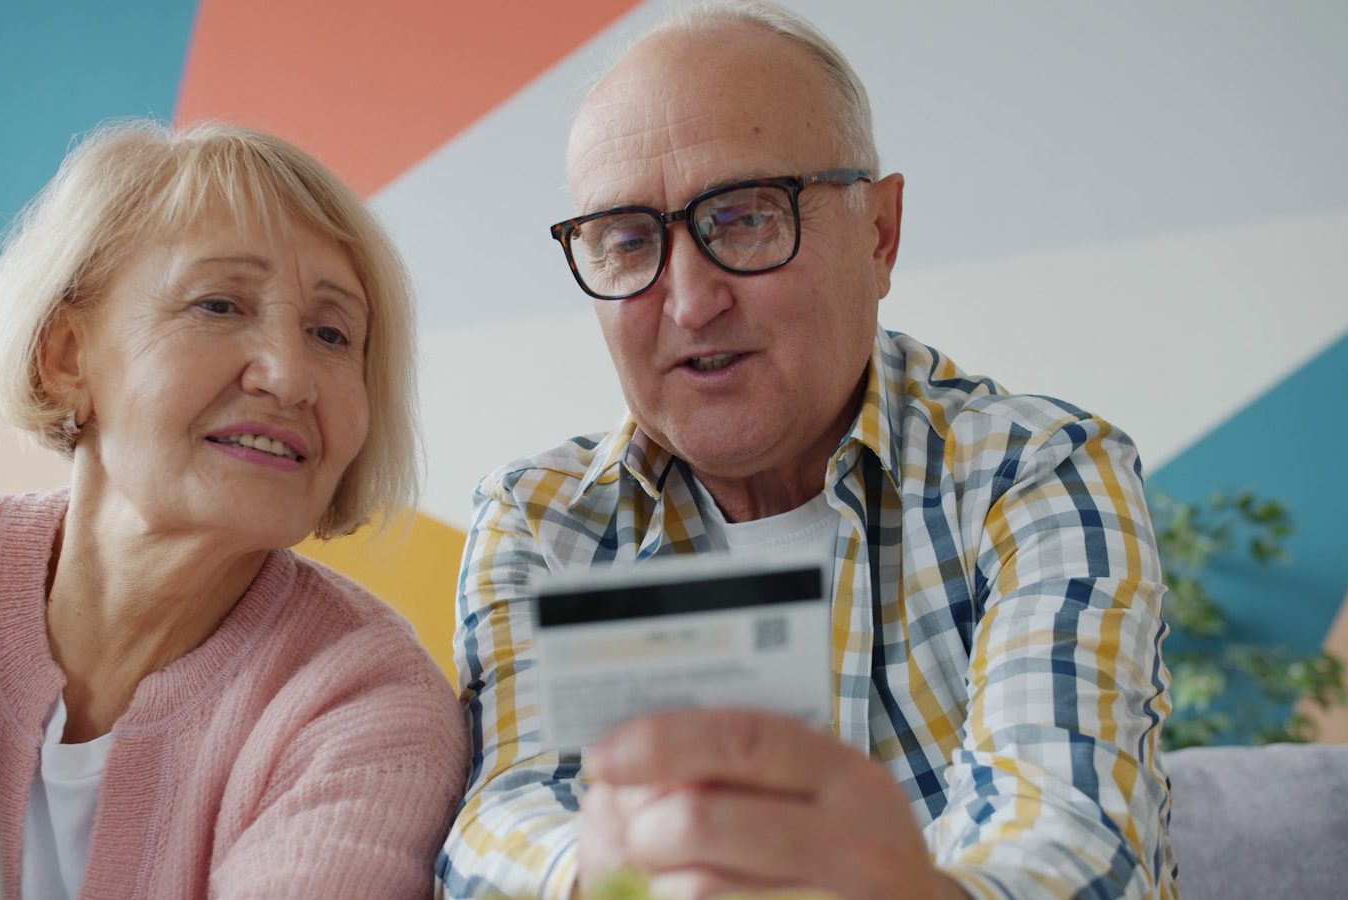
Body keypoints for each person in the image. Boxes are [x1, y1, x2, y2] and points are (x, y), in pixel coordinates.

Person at [440, 2, 1176, 898]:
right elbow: (503, 823)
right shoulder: (543, 522)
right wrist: (611, 879)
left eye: (746, 216)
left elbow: (1075, 843)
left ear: (879, 234)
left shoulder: (1032, 473)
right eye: (628, 241)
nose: (689, 301)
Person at [0, 119, 467, 898]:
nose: (289, 375)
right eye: (220, 306)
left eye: (332, 334)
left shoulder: (369, 705)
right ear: (66, 357)